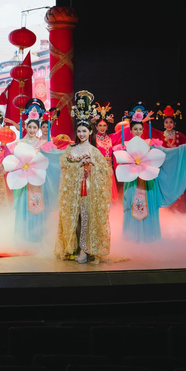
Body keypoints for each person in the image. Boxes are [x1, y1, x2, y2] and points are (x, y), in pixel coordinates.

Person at [116, 103, 186, 243]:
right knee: (132, 207)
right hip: (133, 182)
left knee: (148, 208)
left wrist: (184, 147)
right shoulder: (125, 146)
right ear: (131, 131)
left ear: (142, 130)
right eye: (135, 129)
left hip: (148, 182)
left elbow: (165, 153)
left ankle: (149, 239)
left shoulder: (150, 143)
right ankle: (131, 240)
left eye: (139, 129)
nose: (137, 131)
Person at [55, 92, 113, 263]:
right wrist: (77, 165)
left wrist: (93, 165)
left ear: (90, 132)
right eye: (79, 131)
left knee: (87, 219)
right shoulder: (70, 149)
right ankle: (74, 247)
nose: (81, 134)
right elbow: (63, 165)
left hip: (89, 191)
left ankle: (86, 249)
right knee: (76, 219)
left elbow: (106, 171)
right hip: (73, 192)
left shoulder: (94, 151)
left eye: (84, 131)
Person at [9, 98, 57, 245]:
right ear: (26, 127)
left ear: (38, 129)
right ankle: (23, 238)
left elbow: (50, 159)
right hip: (24, 181)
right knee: (24, 207)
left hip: (37, 181)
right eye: (29, 127)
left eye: (34, 128)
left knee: (38, 205)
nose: (31, 130)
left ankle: (37, 237)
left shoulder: (43, 143)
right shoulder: (19, 143)